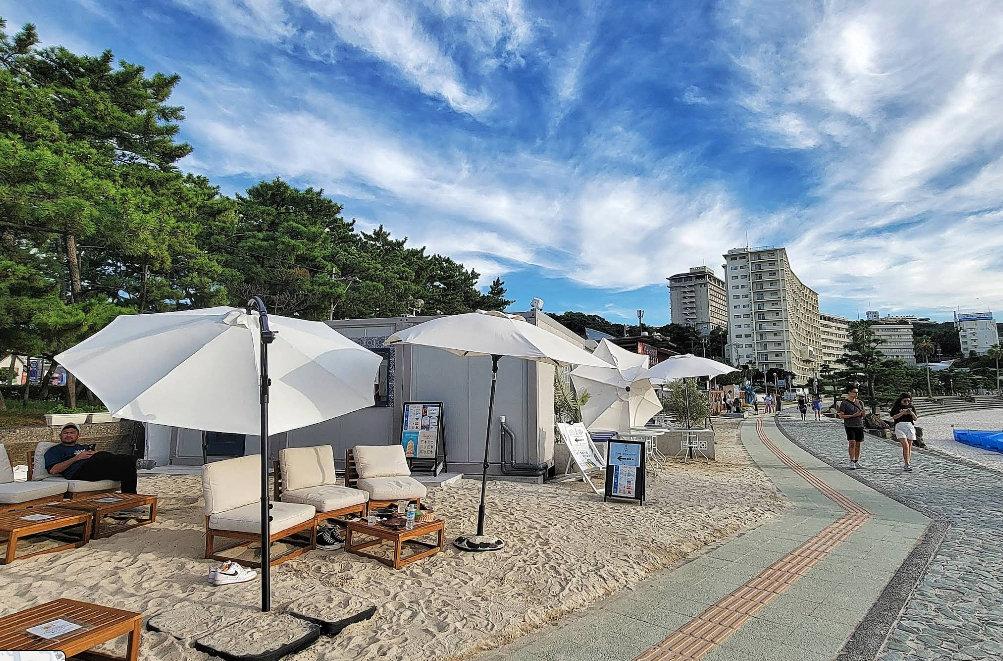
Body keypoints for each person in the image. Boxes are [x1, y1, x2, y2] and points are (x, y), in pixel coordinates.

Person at [44, 423, 139, 493]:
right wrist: (77, 458)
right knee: (100, 456)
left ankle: (130, 503)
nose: (68, 435)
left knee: (127, 468)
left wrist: (95, 454)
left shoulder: (84, 447)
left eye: (72, 433)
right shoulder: (55, 450)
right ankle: (136, 461)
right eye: (65, 433)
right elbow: (53, 470)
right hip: (78, 472)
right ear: (60, 435)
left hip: (96, 469)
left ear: (78, 435)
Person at [838, 387, 866, 469]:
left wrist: (863, 413)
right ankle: (851, 460)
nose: (856, 394)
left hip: (859, 425)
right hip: (849, 425)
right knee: (852, 443)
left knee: (858, 443)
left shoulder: (860, 402)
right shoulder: (844, 403)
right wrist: (852, 416)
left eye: (857, 392)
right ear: (849, 393)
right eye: (854, 392)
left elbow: (863, 415)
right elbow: (841, 416)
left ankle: (856, 461)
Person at [889, 393, 919, 472]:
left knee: (909, 446)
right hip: (900, 425)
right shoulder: (897, 407)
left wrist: (911, 413)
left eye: (908, 401)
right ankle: (906, 464)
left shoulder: (911, 407)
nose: (907, 403)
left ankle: (907, 462)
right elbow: (894, 417)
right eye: (905, 401)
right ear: (901, 400)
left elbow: (915, 418)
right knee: (905, 445)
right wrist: (903, 413)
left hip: (909, 425)